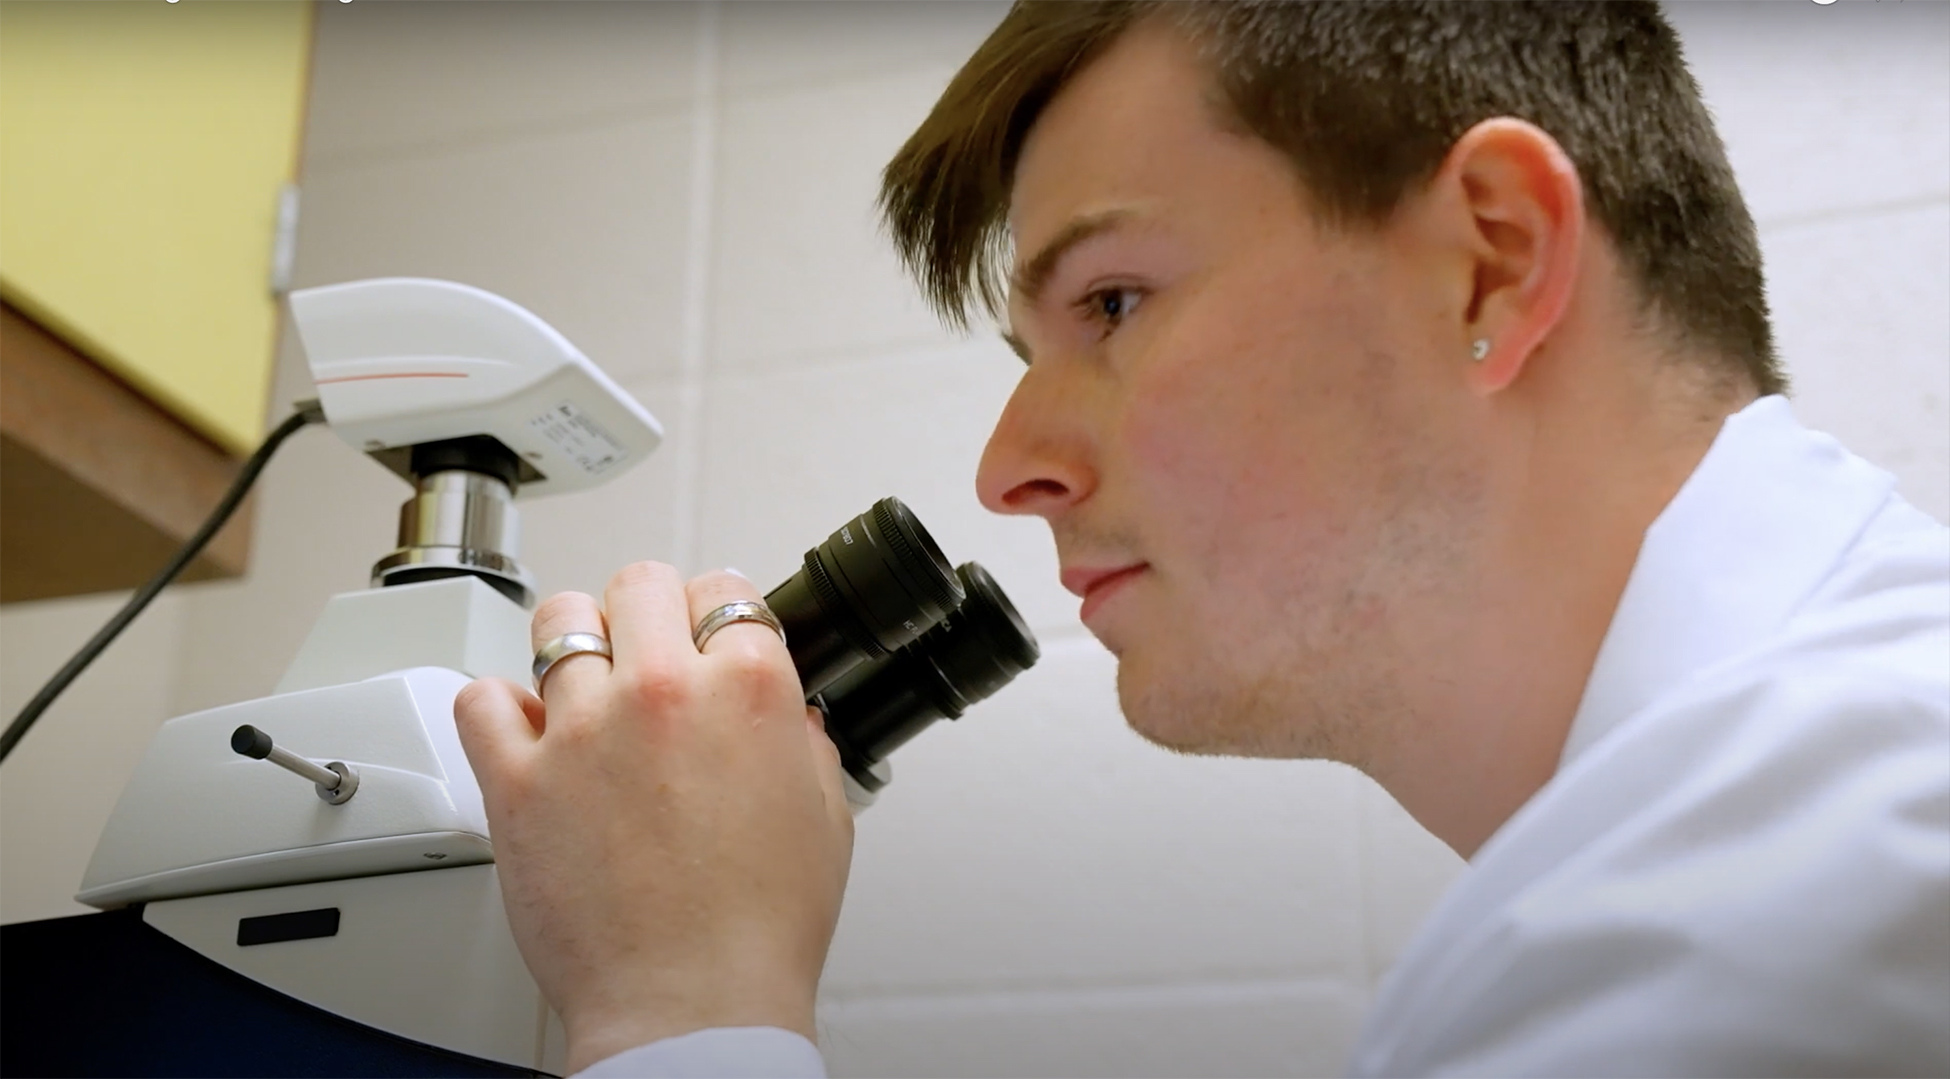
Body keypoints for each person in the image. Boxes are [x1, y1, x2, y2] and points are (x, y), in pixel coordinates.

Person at [452, 2, 1950, 1075]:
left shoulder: (1761, 905)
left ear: (1489, 265)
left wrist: (683, 1011)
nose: (1006, 469)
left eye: (1112, 303)